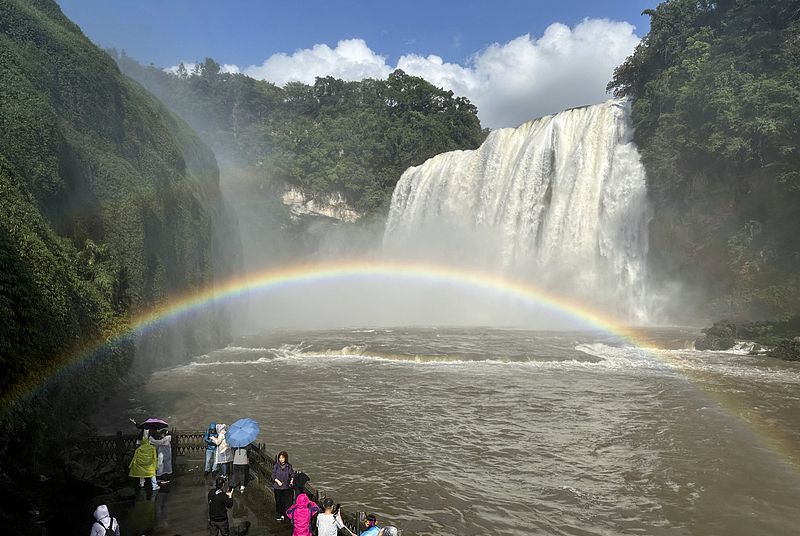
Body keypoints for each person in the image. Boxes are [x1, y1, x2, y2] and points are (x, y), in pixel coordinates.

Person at [271, 450, 295, 521]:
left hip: (285, 487)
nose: (281, 459)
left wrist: (291, 480)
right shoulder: (276, 466)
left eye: (282, 458)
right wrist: (277, 481)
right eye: (280, 458)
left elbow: (292, 474)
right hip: (277, 487)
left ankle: (284, 514)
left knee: (284, 501)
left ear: (286, 458)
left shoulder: (288, 466)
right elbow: (273, 475)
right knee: (278, 501)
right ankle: (279, 514)